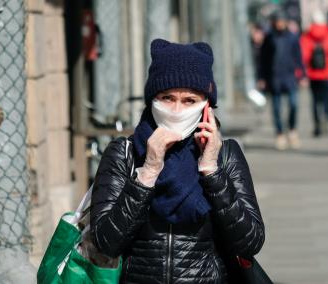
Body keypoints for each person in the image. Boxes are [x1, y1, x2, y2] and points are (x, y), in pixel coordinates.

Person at [90, 39, 265, 284]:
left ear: (207, 107)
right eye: (167, 97)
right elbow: (106, 242)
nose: (175, 109)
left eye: (189, 101)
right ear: (152, 100)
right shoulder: (124, 153)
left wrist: (211, 172)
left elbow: (250, 241)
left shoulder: (226, 155)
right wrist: (148, 173)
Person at [259, 10, 306, 150]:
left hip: (290, 77)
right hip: (274, 78)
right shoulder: (269, 38)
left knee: (293, 104)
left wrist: (303, 75)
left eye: (282, 21)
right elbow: (263, 60)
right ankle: (279, 134)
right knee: (277, 108)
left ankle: (292, 131)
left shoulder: (292, 37)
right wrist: (261, 77)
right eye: (277, 21)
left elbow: (298, 57)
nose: (279, 24)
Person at [300, 10, 328, 137]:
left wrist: (302, 73)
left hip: (312, 74)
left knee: (314, 100)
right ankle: (325, 117)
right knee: (325, 99)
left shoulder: (306, 37)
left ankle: (316, 124)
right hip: (327, 74)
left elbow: (303, 57)